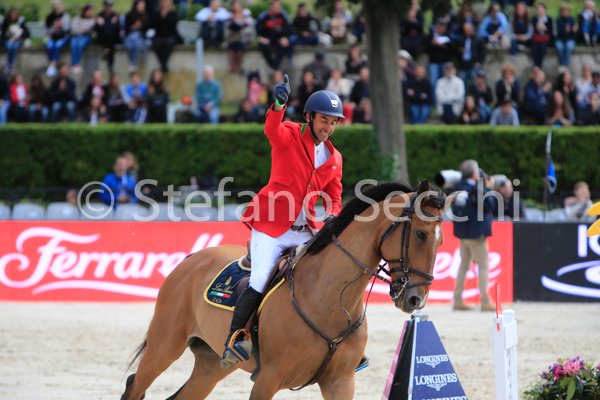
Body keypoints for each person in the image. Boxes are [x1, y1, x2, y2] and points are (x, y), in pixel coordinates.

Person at [220, 75, 345, 369]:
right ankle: (235, 339)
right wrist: (278, 104)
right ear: (309, 117)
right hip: (272, 228)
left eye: (333, 122)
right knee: (260, 278)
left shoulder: (335, 157)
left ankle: (341, 338)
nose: (328, 127)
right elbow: (271, 128)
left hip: (305, 232)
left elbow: (335, 196)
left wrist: (333, 214)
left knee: (331, 274)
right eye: (324, 120)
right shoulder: (289, 134)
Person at [451, 159, 496, 312]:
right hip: (476, 233)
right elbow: (490, 205)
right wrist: (488, 187)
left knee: (464, 265)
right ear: (474, 173)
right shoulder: (477, 188)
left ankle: (457, 299)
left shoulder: (458, 187)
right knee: (483, 266)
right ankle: (485, 300)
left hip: (462, 233)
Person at [1, 8, 30, 74]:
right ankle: (10, 64)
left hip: (17, 40)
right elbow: (3, 34)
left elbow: (27, 33)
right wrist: (8, 34)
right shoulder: (6, 21)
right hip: (7, 40)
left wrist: (18, 36)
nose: (14, 15)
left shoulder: (20, 22)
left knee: (14, 46)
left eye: (15, 14)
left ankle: (10, 64)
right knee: (10, 46)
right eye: (12, 13)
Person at [69, 4, 96, 74]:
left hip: (86, 37)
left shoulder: (93, 20)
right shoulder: (77, 18)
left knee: (80, 45)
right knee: (73, 44)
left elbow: (88, 30)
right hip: (76, 36)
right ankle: (73, 64)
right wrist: (81, 30)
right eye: (88, 11)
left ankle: (77, 64)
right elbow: (73, 29)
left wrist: (81, 30)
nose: (90, 13)